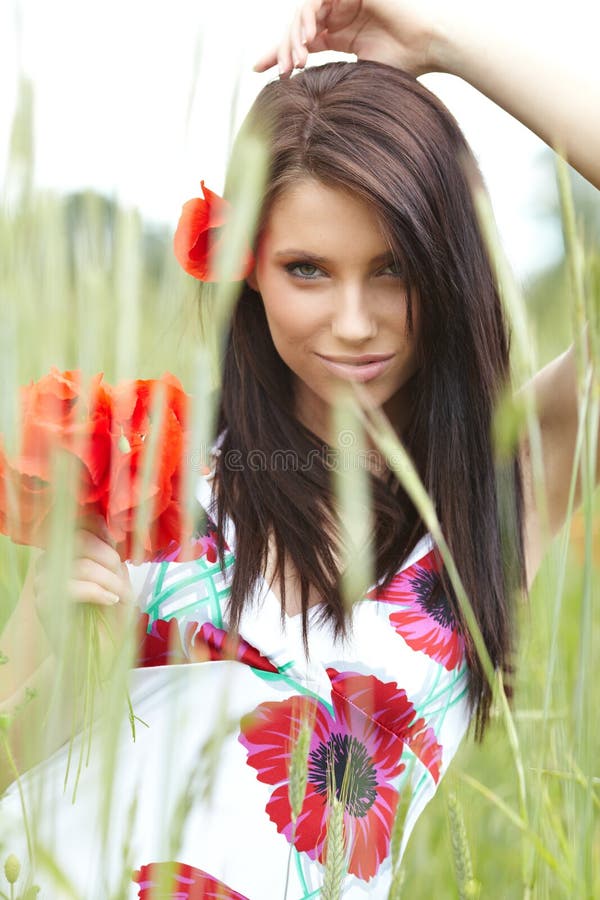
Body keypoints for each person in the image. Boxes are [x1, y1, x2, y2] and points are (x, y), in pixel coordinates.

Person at [1, 1, 598, 897]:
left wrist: (446, 40)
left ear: (448, 265)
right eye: (307, 269)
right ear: (248, 266)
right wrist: (56, 645)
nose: (353, 325)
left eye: (392, 266)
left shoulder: (501, 481)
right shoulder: (146, 474)